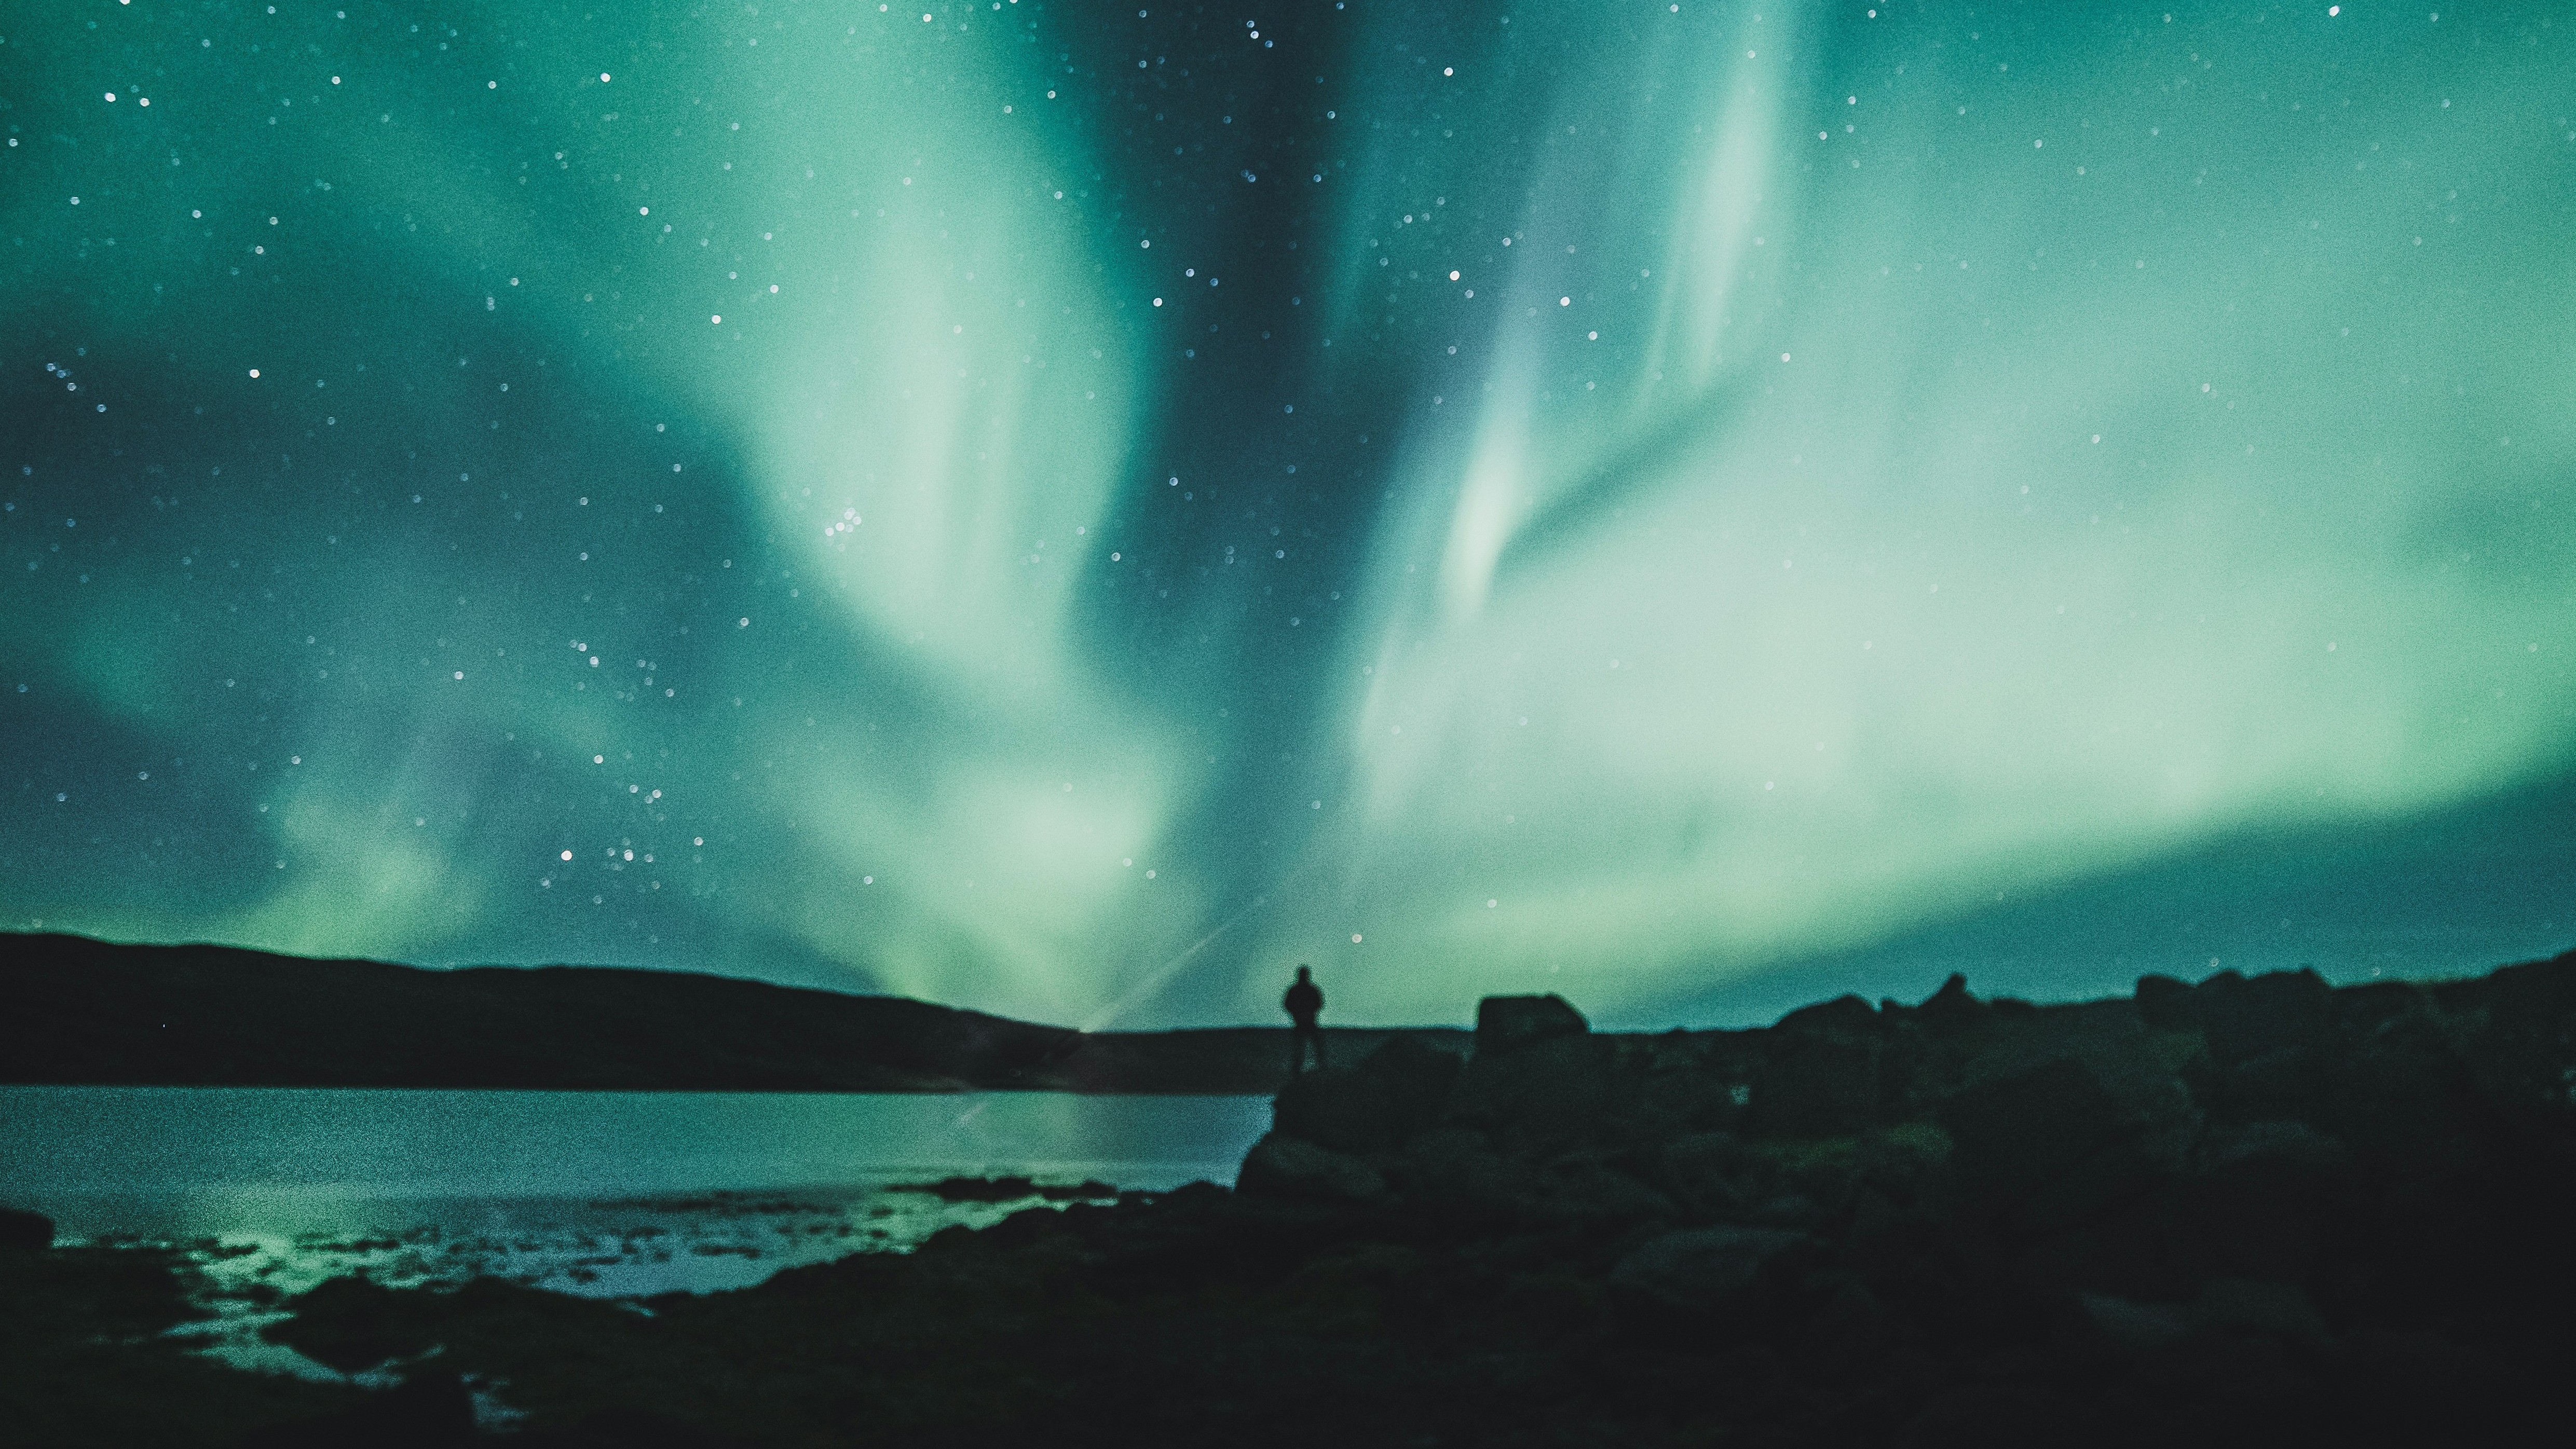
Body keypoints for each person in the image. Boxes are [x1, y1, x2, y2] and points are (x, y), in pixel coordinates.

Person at [1283, 965, 1326, 1075]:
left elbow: (1319, 1004)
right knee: (1303, 1049)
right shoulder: (1306, 990)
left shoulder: (1298, 990)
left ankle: (1318, 1069)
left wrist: (1300, 1014)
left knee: (1312, 1049)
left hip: (1306, 1022)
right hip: (1305, 1022)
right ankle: (1301, 1071)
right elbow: (1319, 1004)